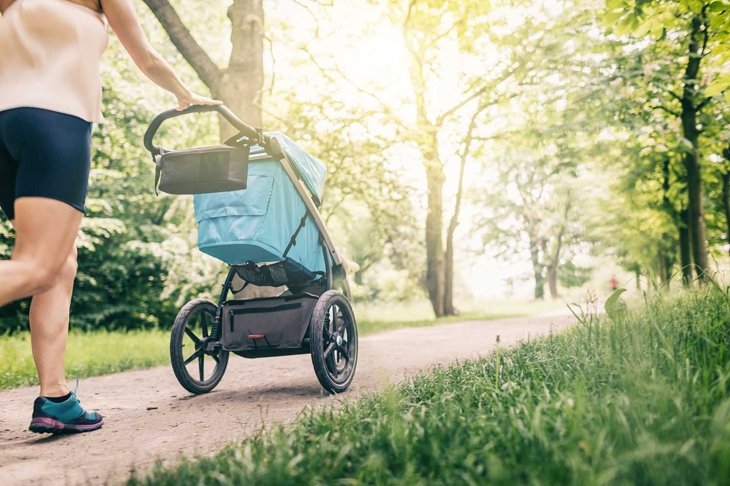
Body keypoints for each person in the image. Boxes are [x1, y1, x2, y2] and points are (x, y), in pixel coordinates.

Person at [0, 0, 220, 434]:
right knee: (38, 266)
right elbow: (148, 58)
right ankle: (55, 394)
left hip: (6, 124)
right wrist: (184, 93)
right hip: (55, 121)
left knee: (61, 262)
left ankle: (56, 397)